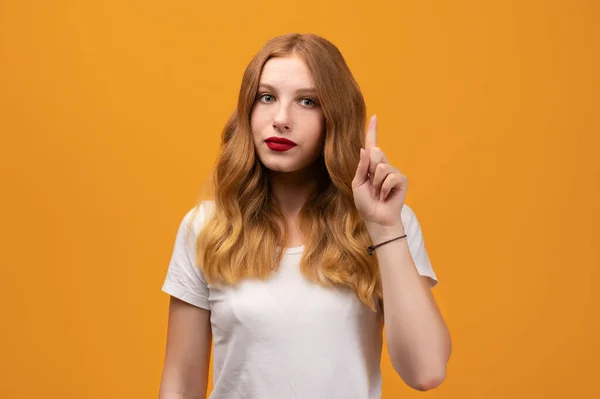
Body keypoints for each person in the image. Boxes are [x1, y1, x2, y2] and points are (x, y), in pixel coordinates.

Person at [158, 33, 451, 399]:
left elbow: (426, 371)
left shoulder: (388, 223)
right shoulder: (207, 227)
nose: (281, 119)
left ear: (334, 118)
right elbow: (180, 386)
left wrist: (384, 227)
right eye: (266, 97)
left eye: (307, 101)